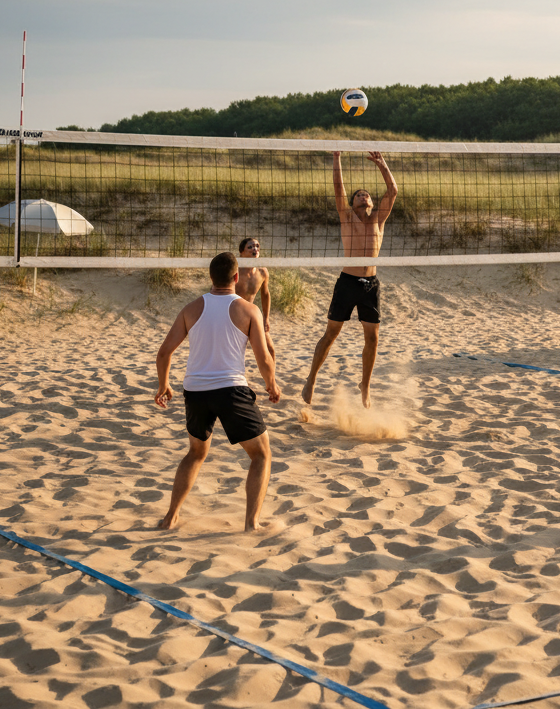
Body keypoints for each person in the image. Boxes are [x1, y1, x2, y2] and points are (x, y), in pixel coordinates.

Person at [154, 251, 280, 532]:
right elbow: (263, 357)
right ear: (237, 278)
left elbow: (164, 353)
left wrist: (164, 384)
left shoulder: (190, 308)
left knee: (196, 453)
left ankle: (170, 518)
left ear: (209, 277)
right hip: (231, 390)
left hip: (195, 391)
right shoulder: (248, 310)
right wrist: (271, 385)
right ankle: (251, 524)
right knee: (261, 455)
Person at [302, 151, 397, 409]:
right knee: (331, 333)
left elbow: (393, 190)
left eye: (366, 195)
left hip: (371, 285)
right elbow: (338, 188)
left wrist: (381, 163)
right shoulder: (346, 216)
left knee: (373, 339)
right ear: (353, 203)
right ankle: (312, 377)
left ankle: (365, 385)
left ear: (371, 202)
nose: (363, 197)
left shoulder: (378, 219)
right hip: (347, 282)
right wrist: (336, 157)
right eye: (358, 195)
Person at [237, 237, 275, 358]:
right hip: (232, 314)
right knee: (234, 352)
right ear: (241, 252)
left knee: (270, 350)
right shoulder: (234, 270)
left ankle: (271, 377)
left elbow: (265, 294)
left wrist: (266, 317)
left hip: (251, 314)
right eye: (250, 247)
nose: (255, 249)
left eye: (257, 246)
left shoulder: (262, 271)